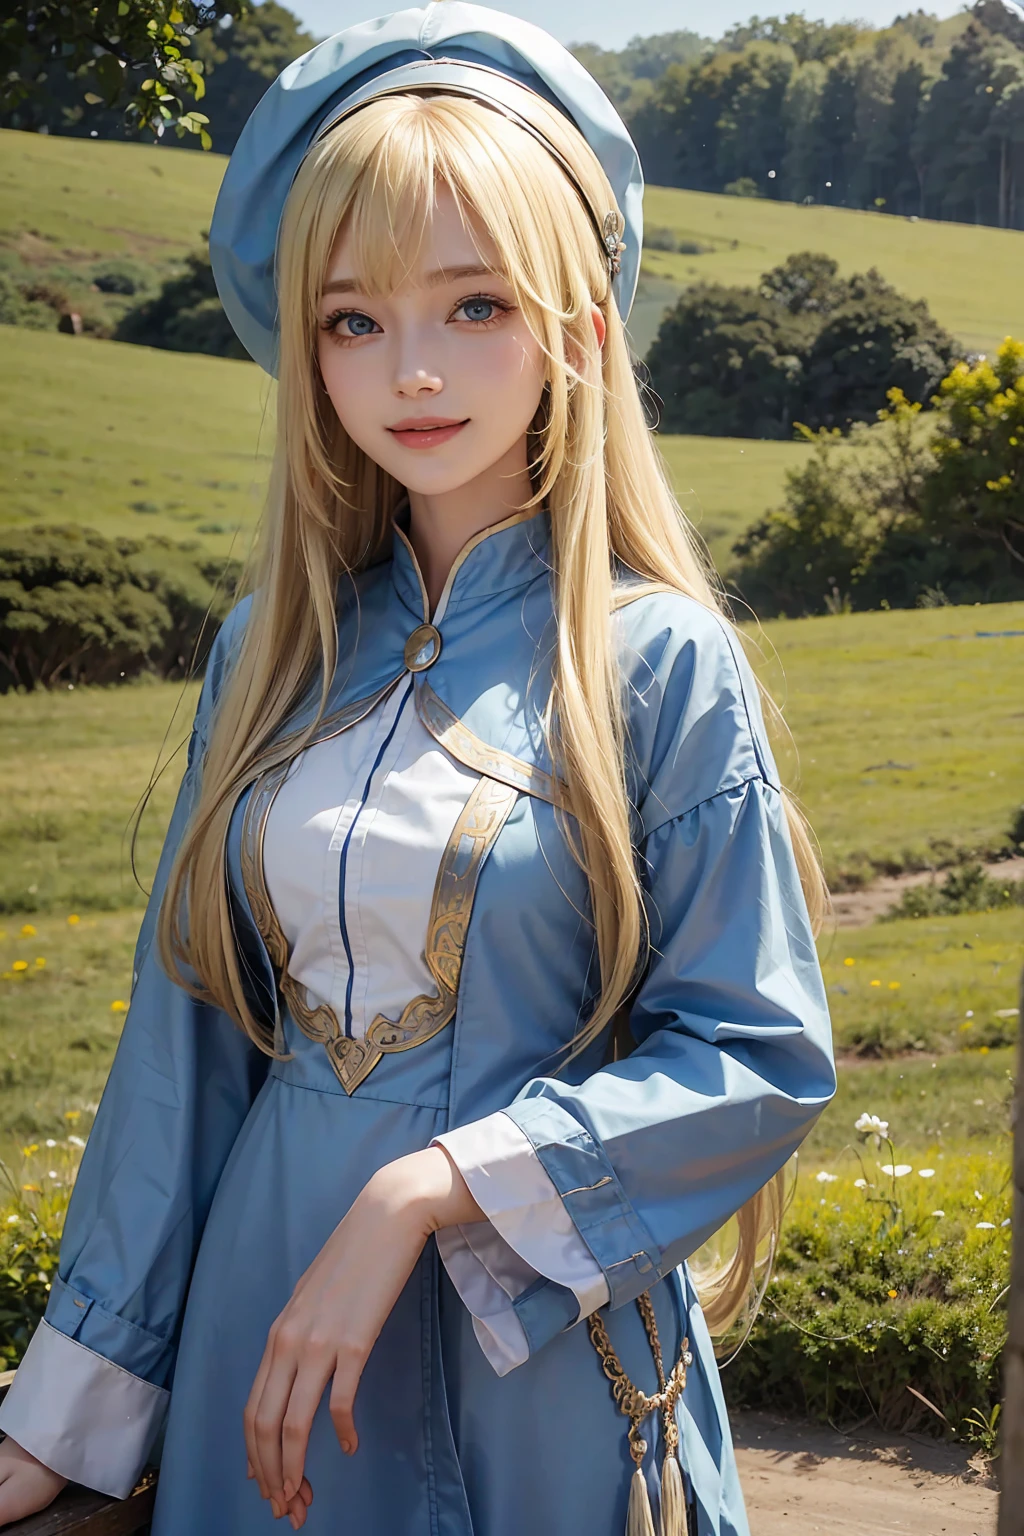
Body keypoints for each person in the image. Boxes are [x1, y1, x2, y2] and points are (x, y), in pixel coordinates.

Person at [0, 6, 835, 1533]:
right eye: (353, 319)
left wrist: (424, 1191)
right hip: (267, 1361)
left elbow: (759, 1053)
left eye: (473, 306)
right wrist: (70, 1409)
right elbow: (182, 1052)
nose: (414, 372)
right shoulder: (267, 652)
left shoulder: (657, 662)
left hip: (549, 1385)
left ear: (576, 324)